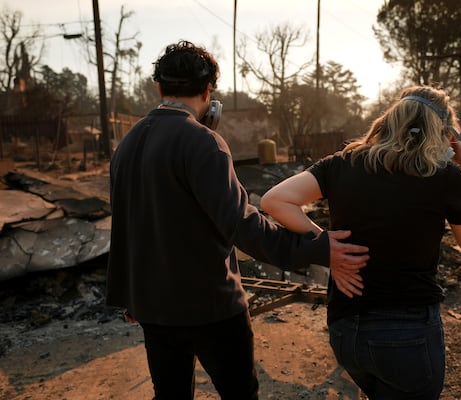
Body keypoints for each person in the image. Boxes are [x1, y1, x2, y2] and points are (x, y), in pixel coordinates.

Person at [106, 40, 369, 400]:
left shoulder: (126, 145)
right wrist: (316, 248)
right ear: (208, 90)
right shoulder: (203, 142)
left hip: (153, 308)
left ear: (158, 88)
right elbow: (244, 226)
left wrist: (129, 296)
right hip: (211, 307)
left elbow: (124, 227)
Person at [260, 85, 461, 399]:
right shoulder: (443, 176)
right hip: (407, 334)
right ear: (443, 134)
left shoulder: (342, 163)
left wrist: (325, 242)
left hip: (345, 330)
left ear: (390, 120)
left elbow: (275, 200)